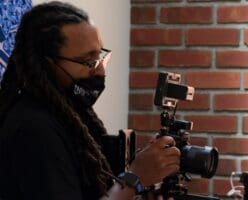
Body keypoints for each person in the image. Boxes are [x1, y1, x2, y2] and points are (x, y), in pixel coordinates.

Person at [0, 2, 180, 200]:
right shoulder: (34, 128)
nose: (100, 71)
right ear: (47, 64)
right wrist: (135, 179)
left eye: (100, 57)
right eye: (88, 62)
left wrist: (141, 190)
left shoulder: (72, 116)